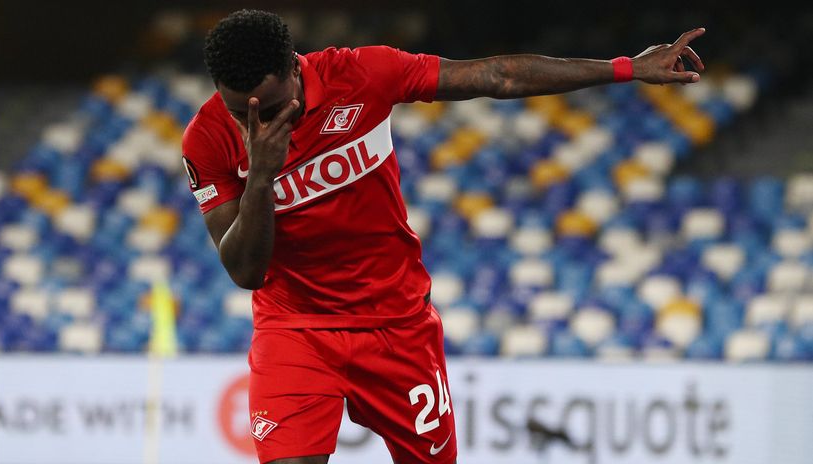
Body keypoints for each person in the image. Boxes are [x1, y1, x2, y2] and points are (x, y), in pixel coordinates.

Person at [181, 9, 705, 464]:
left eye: (271, 110)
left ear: (296, 67)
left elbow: (496, 76)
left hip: (398, 324)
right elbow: (246, 271)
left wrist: (626, 68)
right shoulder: (206, 140)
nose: (259, 124)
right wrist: (262, 177)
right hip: (297, 329)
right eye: (240, 112)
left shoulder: (363, 74)